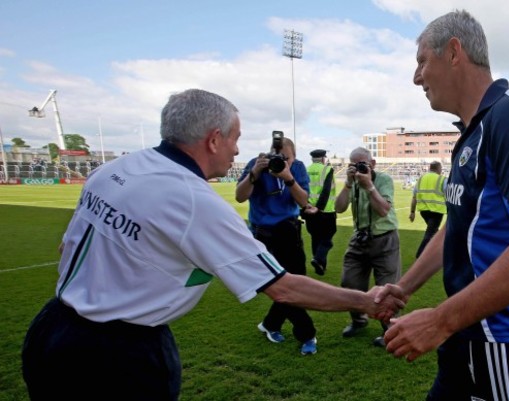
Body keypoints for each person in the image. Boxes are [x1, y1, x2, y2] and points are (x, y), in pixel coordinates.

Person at [22, 89, 403, 401]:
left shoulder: (117, 167)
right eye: (235, 138)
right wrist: (366, 301)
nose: (238, 151)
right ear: (214, 139)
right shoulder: (192, 200)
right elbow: (283, 288)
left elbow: (65, 248)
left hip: (51, 329)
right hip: (116, 357)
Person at [375, 10, 509, 400]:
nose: (416, 77)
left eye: (421, 61)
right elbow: (457, 226)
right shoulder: (472, 133)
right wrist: (404, 287)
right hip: (468, 329)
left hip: (501, 340)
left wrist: (439, 321)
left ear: (454, 52)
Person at [235, 135, 319, 355]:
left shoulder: (297, 168)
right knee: (278, 285)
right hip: (262, 233)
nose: (281, 161)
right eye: (277, 157)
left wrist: (288, 177)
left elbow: (303, 201)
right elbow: (240, 196)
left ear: (294, 157)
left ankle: (271, 324)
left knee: (296, 283)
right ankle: (307, 334)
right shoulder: (257, 164)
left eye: (287, 158)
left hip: (289, 230)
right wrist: (255, 173)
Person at [334, 147, 402, 347]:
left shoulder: (384, 180)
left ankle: (391, 331)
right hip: (360, 237)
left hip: (385, 238)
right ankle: (358, 320)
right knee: (349, 281)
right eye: (355, 165)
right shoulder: (352, 181)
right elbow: (339, 208)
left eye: (363, 163)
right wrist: (347, 184)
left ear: (373, 163)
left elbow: (383, 210)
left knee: (388, 288)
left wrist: (370, 186)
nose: (360, 168)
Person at [302, 149, 337, 275]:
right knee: (327, 237)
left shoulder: (305, 169)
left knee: (315, 237)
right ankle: (318, 259)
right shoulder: (327, 169)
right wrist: (320, 207)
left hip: (309, 209)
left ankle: (321, 265)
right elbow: (326, 190)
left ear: (312, 159)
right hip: (326, 210)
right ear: (323, 158)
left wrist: (304, 208)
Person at [409, 161, 447, 257]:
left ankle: (441, 249)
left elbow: (414, 197)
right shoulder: (442, 179)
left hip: (424, 211)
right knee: (430, 233)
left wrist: (412, 212)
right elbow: (449, 194)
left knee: (434, 232)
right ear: (438, 169)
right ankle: (420, 255)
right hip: (437, 211)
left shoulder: (421, 179)